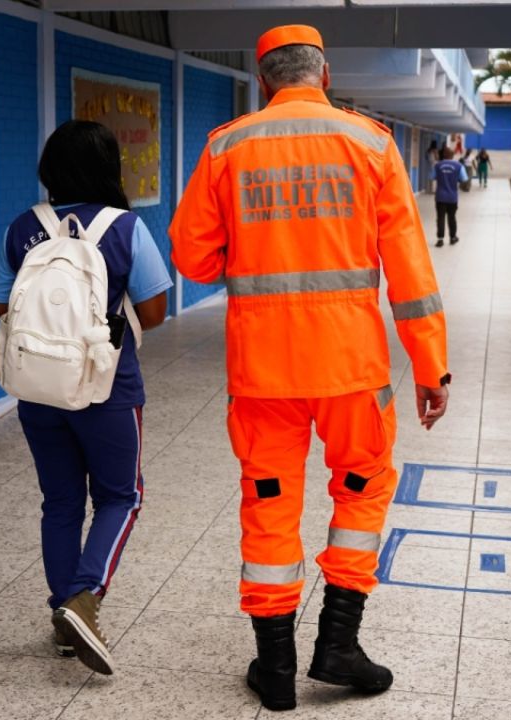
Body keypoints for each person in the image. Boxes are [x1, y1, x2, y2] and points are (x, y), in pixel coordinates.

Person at [170, 24, 450, 712]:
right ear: (324, 77)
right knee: (360, 490)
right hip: (351, 368)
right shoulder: (372, 145)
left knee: (269, 504)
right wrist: (431, 369)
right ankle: (338, 645)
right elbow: (412, 277)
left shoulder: (228, 146)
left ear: (264, 82)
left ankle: (274, 669)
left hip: (263, 372)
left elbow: (191, 258)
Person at [0, 120, 173, 675]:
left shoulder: (22, 228)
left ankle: (62, 618)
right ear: (108, 168)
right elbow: (157, 312)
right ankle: (84, 599)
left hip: (38, 390)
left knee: (61, 501)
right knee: (121, 496)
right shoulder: (126, 228)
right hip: (108, 387)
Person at [432, 147, 467, 247]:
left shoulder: (437, 165)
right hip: (452, 197)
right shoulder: (459, 166)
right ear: (452, 155)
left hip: (440, 197)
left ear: (443, 155)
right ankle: (452, 238)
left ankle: (440, 239)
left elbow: (432, 177)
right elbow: (464, 179)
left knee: (440, 218)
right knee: (452, 217)